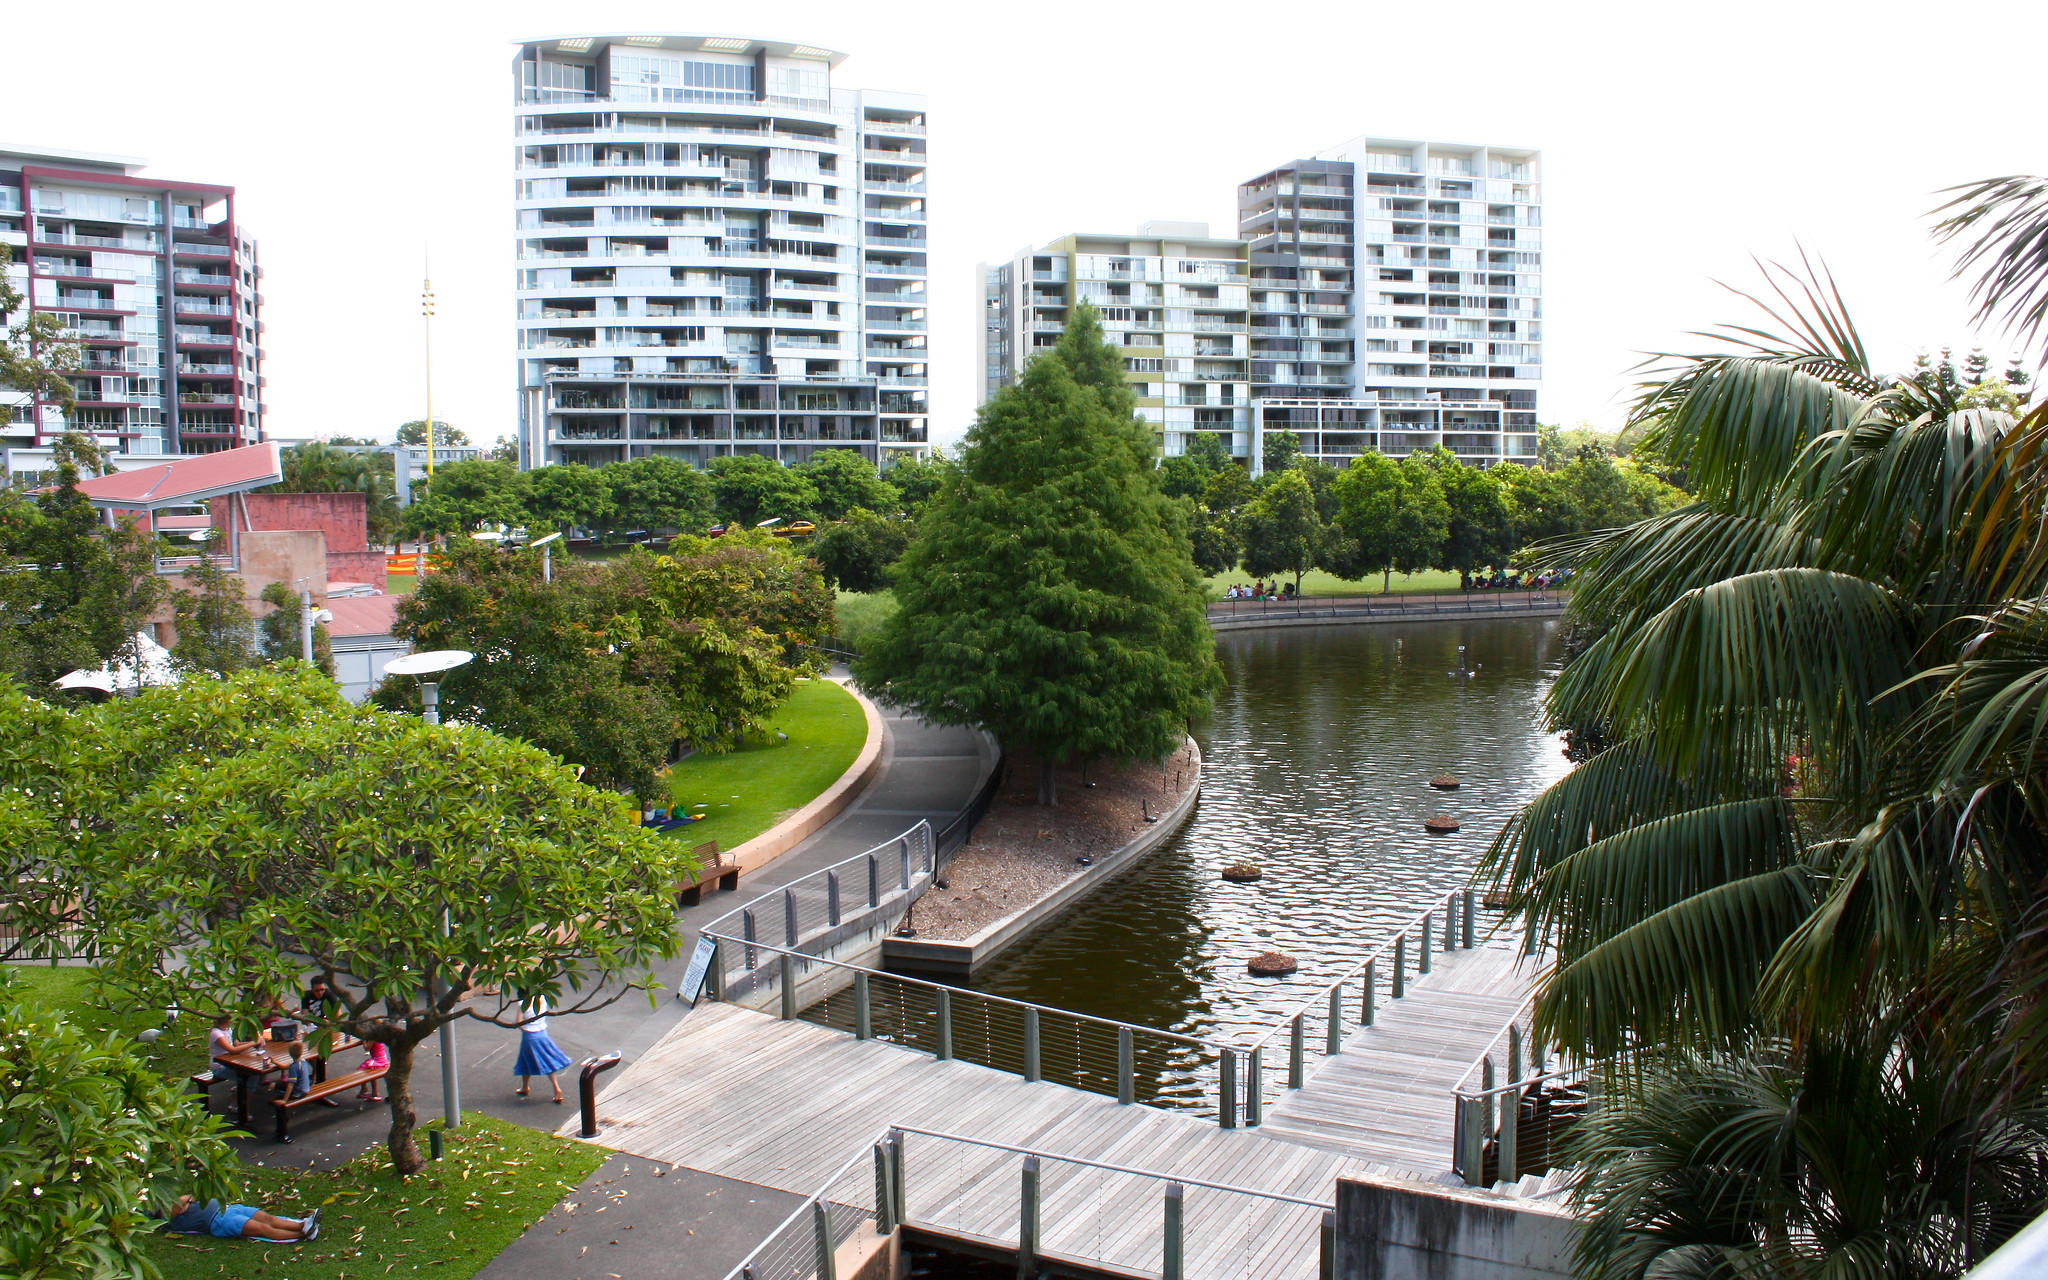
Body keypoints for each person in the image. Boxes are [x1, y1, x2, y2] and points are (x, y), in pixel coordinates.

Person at [154, 1194, 318, 1242]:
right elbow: (182, 1198)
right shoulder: (167, 1219)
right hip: (219, 1221)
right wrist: (186, 1201)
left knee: (269, 1218)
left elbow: (192, 1194)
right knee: (264, 1229)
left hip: (229, 1208)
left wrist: (188, 1200)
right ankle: (303, 1234)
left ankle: (303, 1225)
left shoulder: (173, 1209)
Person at [513, 997, 572, 1103]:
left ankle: (527, 1087)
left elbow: (518, 1022)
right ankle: (529, 1087)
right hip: (542, 1032)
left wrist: (526, 1030)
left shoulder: (522, 1003)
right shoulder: (543, 997)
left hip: (529, 1036)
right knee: (545, 1060)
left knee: (526, 1060)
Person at [357, 1038, 389, 1103]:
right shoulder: (377, 1035)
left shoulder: (372, 1038)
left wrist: (363, 1041)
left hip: (378, 1060)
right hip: (382, 1059)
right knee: (370, 1069)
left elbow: (367, 1048)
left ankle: (366, 1089)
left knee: (362, 1069)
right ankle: (372, 1091)